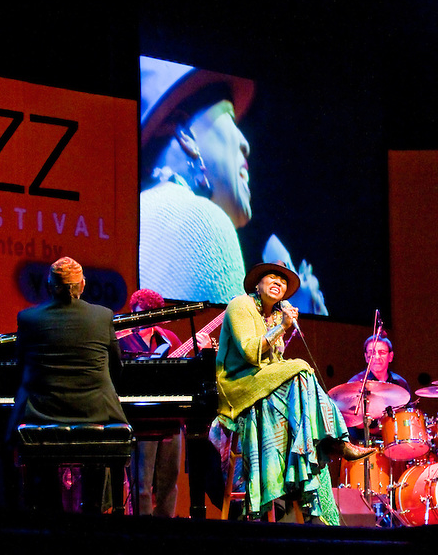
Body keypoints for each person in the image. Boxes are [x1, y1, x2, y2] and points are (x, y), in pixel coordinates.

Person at [215, 262, 374, 523]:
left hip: (265, 385)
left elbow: (274, 362)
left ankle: (314, 509)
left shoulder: (277, 315)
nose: (278, 282)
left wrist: (282, 326)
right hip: (239, 384)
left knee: (303, 418)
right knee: (301, 368)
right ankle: (337, 441)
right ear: (257, 284)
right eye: (272, 277)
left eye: (283, 280)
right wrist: (283, 328)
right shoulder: (240, 305)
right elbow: (249, 353)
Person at [5, 256, 128, 513]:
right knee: (98, 450)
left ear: (49, 286)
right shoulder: (103, 316)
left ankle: (40, 512)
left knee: (11, 440)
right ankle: (96, 510)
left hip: (41, 412)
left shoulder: (28, 318)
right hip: (95, 411)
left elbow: (19, 368)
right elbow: (116, 369)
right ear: (82, 285)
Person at [139, 56, 255, 304]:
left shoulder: (136, 218)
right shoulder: (200, 220)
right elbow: (227, 343)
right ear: (182, 130)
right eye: (231, 119)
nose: (245, 144)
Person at [117, 288, 211, 517]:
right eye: (142, 315)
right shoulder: (121, 339)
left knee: (169, 483)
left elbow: (186, 376)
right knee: (141, 485)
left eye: (153, 316)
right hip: (142, 418)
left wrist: (204, 351)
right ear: (133, 312)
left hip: (172, 417)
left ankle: (167, 532)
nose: (147, 322)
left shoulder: (170, 339)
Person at [346, 332, 411, 443]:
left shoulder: (400, 384)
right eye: (372, 353)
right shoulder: (355, 384)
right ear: (366, 357)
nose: (376, 357)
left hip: (396, 442)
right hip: (364, 445)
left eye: (382, 352)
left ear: (390, 357)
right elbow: (351, 422)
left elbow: (408, 417)